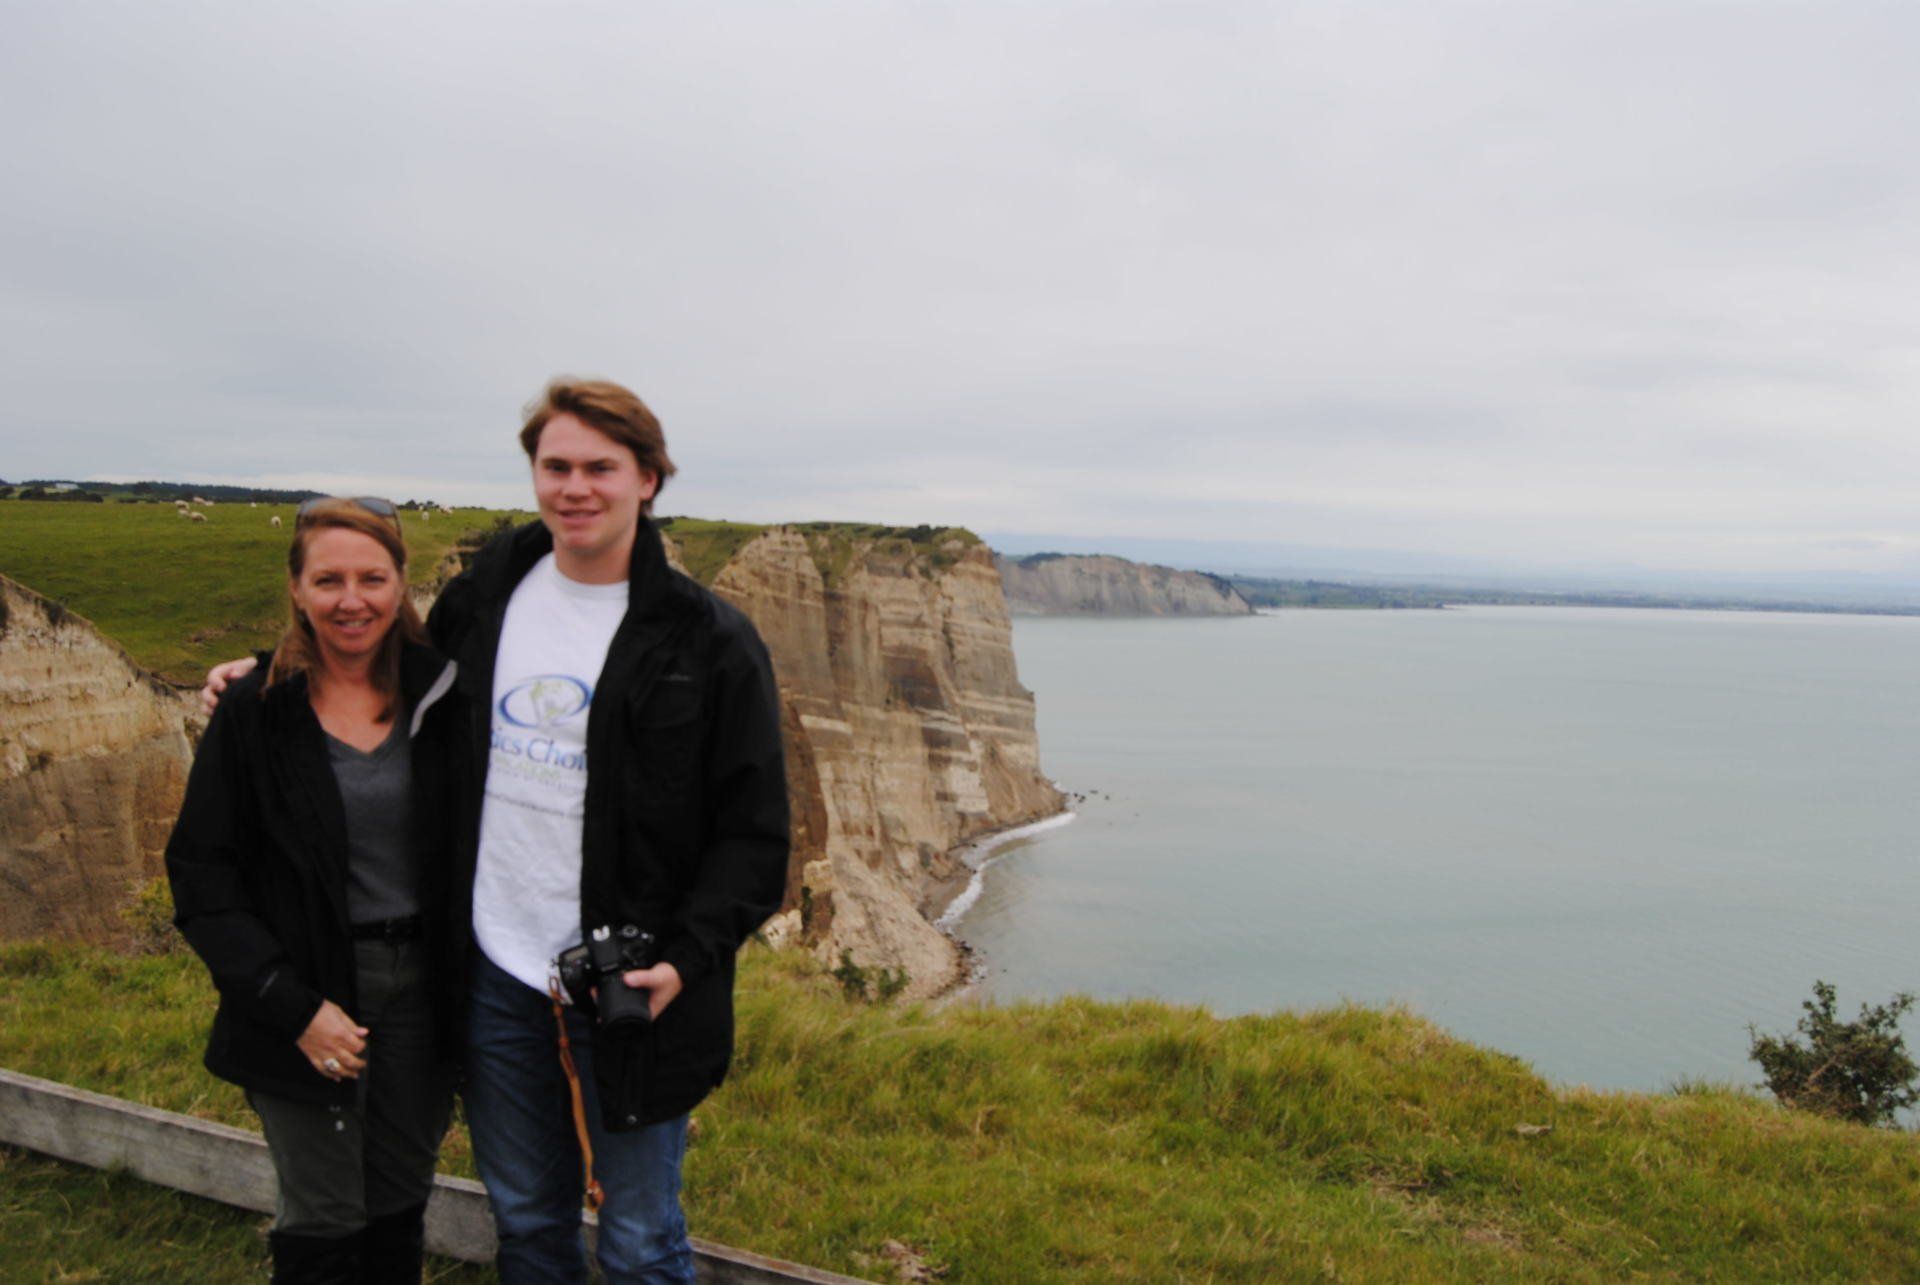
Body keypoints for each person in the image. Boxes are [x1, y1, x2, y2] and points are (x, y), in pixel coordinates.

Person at [206, 379, 791, 1283]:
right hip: (496, 976)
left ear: (649, 478)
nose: (575, 487)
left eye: (602, 466)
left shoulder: (709, 641)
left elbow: (754, 838)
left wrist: (683, 958)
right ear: (533, 475)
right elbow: (370, 657)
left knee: (638, 1239)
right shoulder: (486, 598)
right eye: (555, 465)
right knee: (525, 1220)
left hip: (635, 989)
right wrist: (253, 677)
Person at [168, 498, 467, 1283]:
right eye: (327, 579)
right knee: (324, 1216)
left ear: (402, 585)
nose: (352, 598)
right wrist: (292, 1006)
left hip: (424, 995)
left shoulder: (446, 696)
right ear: (296, 589)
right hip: (303, 988)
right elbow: (202, 877)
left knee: (401, 1198)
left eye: (373, 577)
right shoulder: (254, 709)